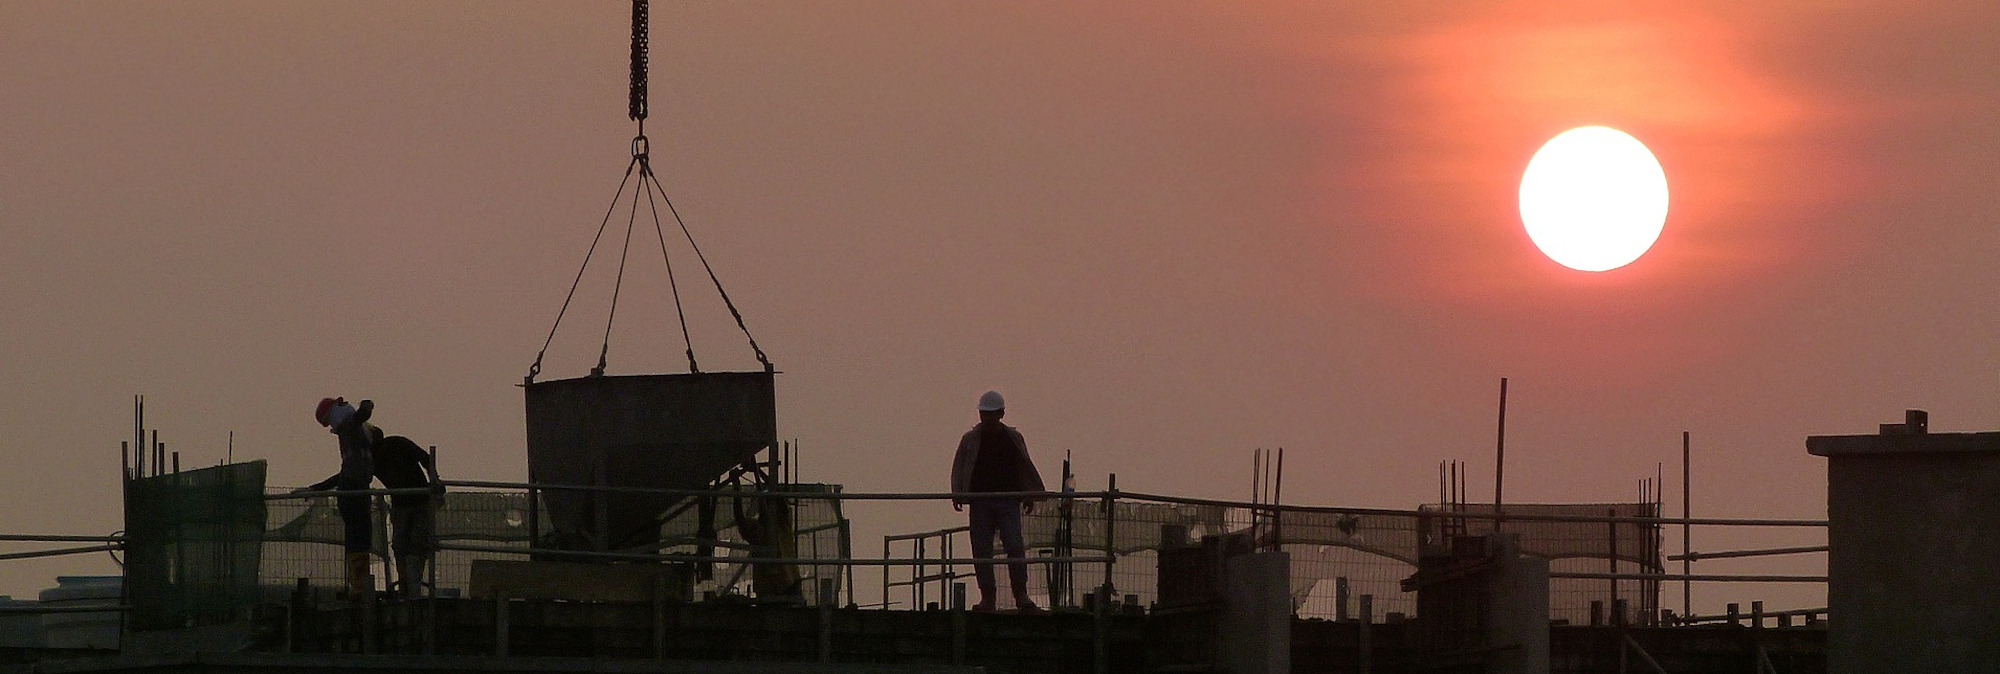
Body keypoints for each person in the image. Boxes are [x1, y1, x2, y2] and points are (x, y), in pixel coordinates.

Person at [949, 389, 1046, 612]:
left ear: (1001, 414)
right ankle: (988, 598)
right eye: (984, 414)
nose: (987, 418)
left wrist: (1028, 494)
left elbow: (1023, 466)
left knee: (1014, 546)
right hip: (980, 501)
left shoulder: (1013, 438)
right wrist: (958, 493)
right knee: (982, 549)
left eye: (991, 414)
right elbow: (959, 467)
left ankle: (1021, 595)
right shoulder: (970, 440)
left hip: (1008, 500)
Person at [305, 396, 377, 596]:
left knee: (357, 537)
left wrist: (317, 488)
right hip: (354, 491)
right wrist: (367, 405)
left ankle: (359, 584)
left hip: (352, 490)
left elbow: (344, 474)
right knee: (360, 536)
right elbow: (362, 414)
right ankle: (360, 585)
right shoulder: (351, 431)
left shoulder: (349, 434)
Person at [370, 430, 442, 599]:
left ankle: (409, 590)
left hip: (416, 503)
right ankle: (408, 590)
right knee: (408, 547)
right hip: (411, 504)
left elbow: (424, 457)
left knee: (409, 547)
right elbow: (424, 457)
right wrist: (434, 478)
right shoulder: (387, 448)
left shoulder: (386, 449)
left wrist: (434, 477)